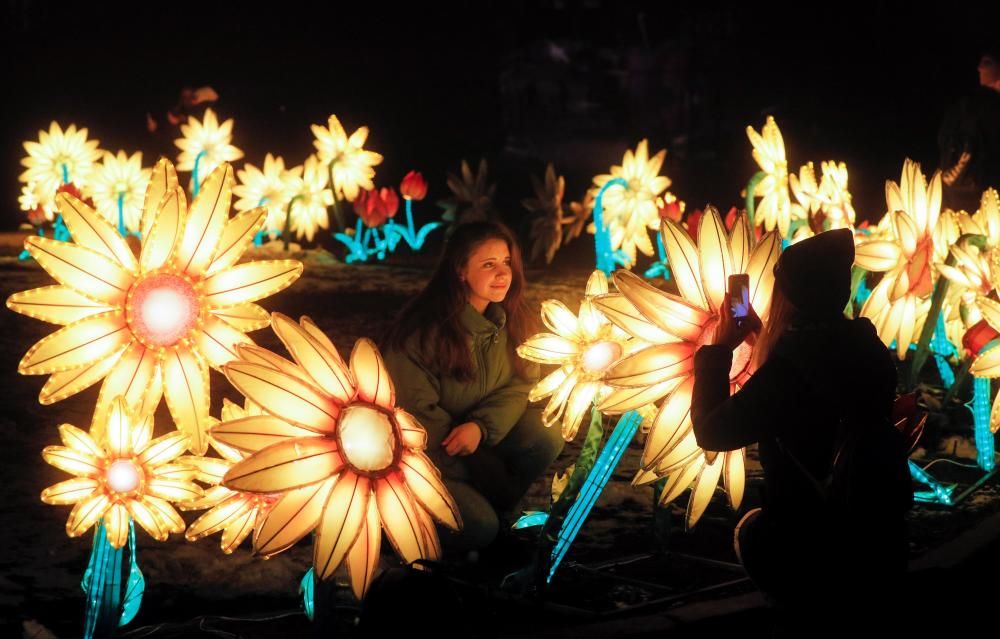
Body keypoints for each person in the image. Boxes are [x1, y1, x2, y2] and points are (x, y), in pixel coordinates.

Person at [691, 228, 904, 635]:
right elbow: (821, 377)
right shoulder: (867, 348)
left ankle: (797, 610)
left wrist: (717, 351)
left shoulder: (789, 374)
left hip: (814, 544)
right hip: (878, 534)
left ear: (790, 297)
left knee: (749, 531)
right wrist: (761, 336)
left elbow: (712, 431)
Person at [382, 221, 565, 556]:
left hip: (480, 445)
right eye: (488, 264)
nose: (502, 273)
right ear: (460, 271)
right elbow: (414, 413)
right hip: (429, 460)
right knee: (480, 528)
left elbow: (521, 384)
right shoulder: (422, 334)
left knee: (546, 433)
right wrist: (472, 466)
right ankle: (415, 534)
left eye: (506, 262)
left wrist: (481, 428)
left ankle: (493, 507)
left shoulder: (513, 321)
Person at [938, 47, 1000, 212]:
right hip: (974, 193)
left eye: (987, 63)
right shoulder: (978, 106)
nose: (979, 68)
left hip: (966, 192)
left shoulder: (979, 105)